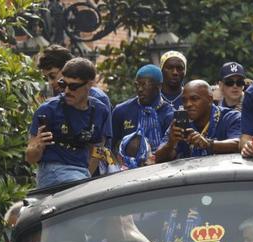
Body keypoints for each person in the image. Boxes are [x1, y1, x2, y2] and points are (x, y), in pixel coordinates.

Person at [26, 57, 111, 188]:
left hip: (81, 174)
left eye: (73, 86)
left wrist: (86, 175)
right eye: (63, 84)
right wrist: (37, 146)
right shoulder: (48, 109)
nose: (66, 91)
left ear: (89, 84)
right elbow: (30, 158)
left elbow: (98, 148)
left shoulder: (100, 110)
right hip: (52, 171)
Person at [154, 80, 241, 162]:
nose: (188, 104)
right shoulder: (181, 122)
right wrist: (170, 143)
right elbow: (156, 158)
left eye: (194, 99)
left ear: (210, 99)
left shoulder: (230, 117)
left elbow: (239, 143)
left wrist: (208, 144)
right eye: (184, 100)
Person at [110, 64, 174, 165]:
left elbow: (174, 150)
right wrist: (117, 166)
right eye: (137, 85)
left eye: (144, 85)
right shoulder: (121, 111)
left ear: (159, 86)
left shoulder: (170, 114)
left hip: (162, 171)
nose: (139, 89)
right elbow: (109, 145)